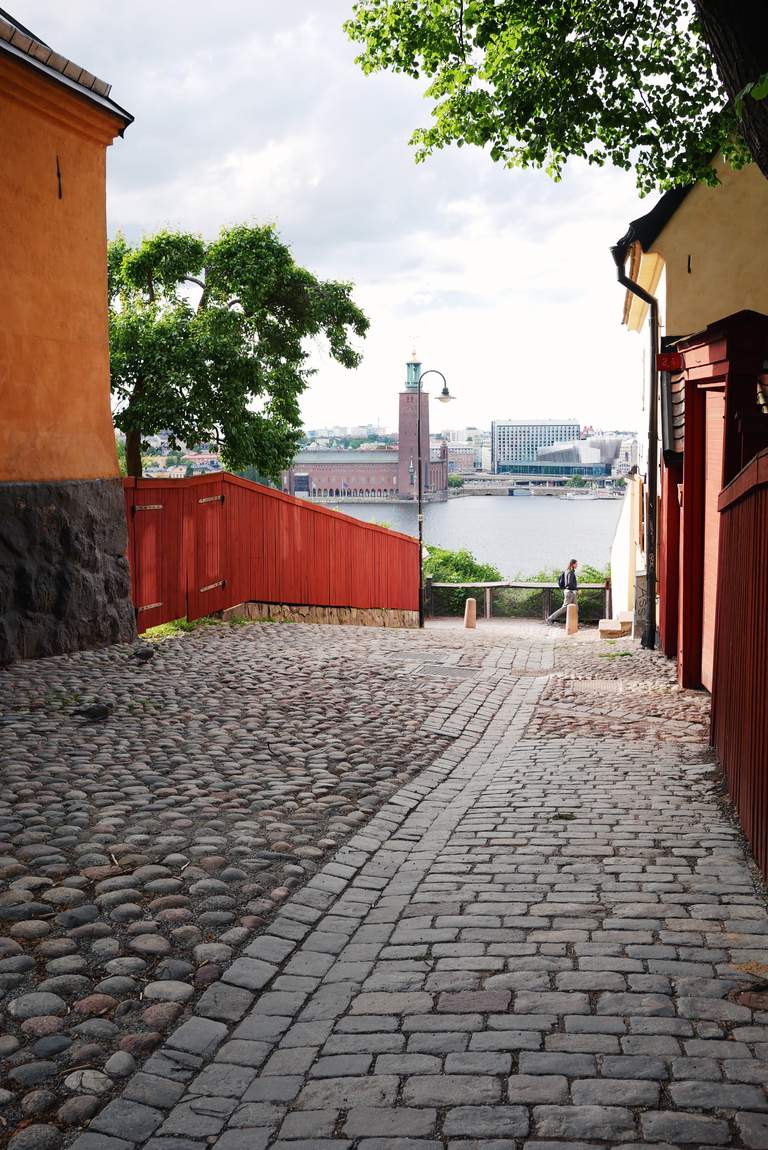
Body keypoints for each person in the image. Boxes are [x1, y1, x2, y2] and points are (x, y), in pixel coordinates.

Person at [547, 559, 578, 625]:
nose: (577, 565)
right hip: (570, 592)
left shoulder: (567, 571)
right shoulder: (570, 572)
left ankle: (574, 624)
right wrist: (576, 589)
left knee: (575, 608)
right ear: (573, 564)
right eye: (576, 564)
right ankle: (550, 618)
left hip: (570, 592)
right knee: (565, 608)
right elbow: (569, 583)